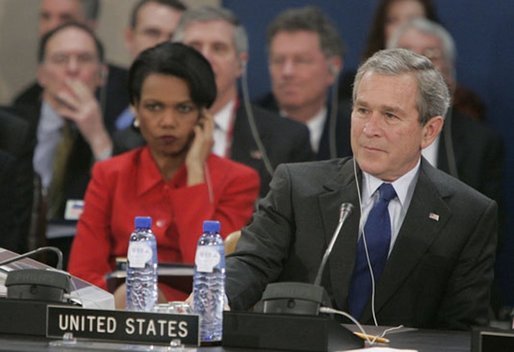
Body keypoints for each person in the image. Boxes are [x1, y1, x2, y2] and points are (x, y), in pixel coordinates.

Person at [225, 48, 497, 330]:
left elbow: (463, 330)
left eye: (390, 115)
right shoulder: (297, 188)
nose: (370, 129)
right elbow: (251, 263)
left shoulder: (468, 214)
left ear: (429, 130)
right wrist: (215, 299)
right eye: (363, 110)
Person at [68, 42, 260, 302]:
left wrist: (195, 176)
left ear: (204, 114)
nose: (167, 121)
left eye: (183, 108)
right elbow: (81, 277)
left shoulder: (238, 180)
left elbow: (212, 277)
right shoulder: (109, 174)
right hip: (116, 312)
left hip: (199, 320)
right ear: (135, 107)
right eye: (154, 107)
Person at [115, 6, 313, 197]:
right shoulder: (132, 139)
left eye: (219, 48)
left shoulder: (287, 139)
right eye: (194, 47)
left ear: (241, 64)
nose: (205, 57)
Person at [13, 22, 112, 267]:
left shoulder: (118, 136)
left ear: (101, 74)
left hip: (76, 265)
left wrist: (98, 138)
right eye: (60, 59)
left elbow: (122, 211)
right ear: (41, 74)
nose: (72, 69)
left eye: (84, 59)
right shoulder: (10, 126)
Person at [387, 18, 505, 210]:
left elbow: (488, 230)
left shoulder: (481, 144)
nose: (417, 65)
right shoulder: (362, 131)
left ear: (450, 73)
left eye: (430, 55)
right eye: (406, 55)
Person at [356, 0, 485, 121]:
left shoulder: (466, 111)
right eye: (393, 19)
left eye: (430, 54)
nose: (416, 63)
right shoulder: (361, 97)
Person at [13, 0, 129, 131]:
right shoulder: (24, 103)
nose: (52, 27)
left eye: (65, 18)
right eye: (46, 17)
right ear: (41, 74)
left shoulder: (128, 92)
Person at [256, 6, 351, 160]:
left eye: (301, 61)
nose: (287, 72)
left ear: (333, 68)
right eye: (278, 61)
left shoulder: (352, 133)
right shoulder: (248, 126)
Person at [114, 0, 187, 130]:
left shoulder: (194, 106)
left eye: (173, 36)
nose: (163, 44)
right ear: (129, 38)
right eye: (152, 33)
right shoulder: (104, 96)